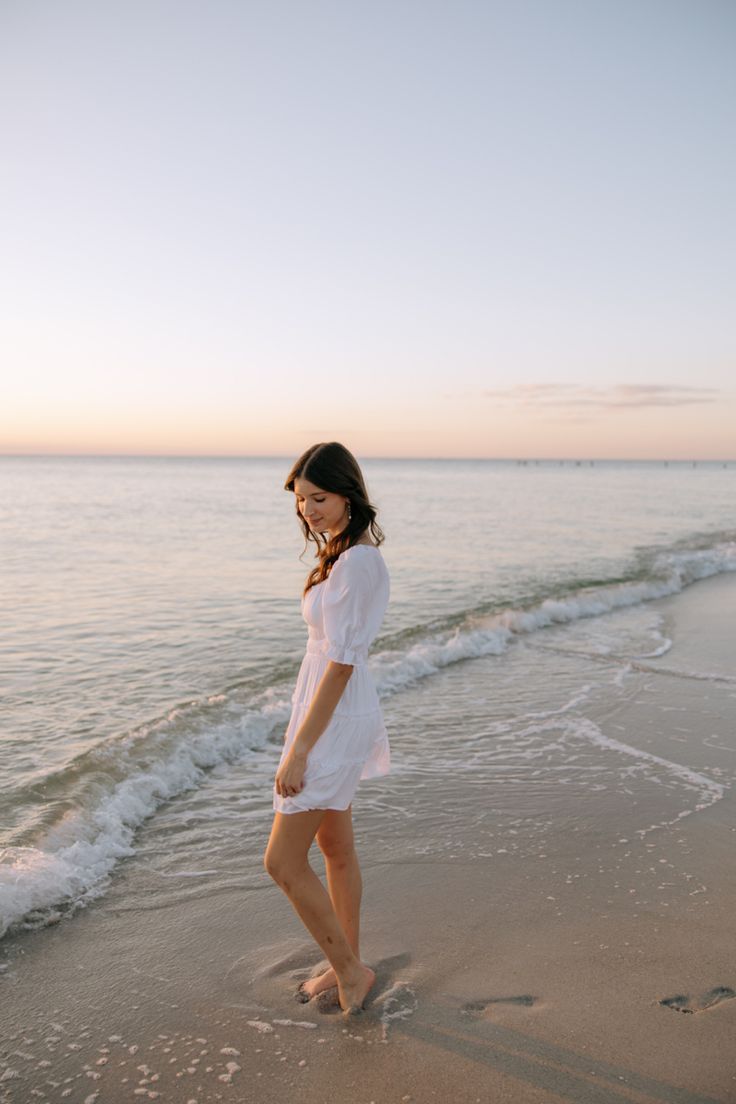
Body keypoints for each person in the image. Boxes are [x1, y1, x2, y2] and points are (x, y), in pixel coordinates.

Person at [263, 441, 391, 1015]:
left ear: (348, 494)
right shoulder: (344, 555)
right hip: (330, 711)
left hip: (333, 719)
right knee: (334, 846)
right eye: (301, 501)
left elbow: (340, 664)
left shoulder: (359, 562)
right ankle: (349, 962)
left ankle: (349, 970)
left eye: (318, 497)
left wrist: (299, 751)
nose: (308, 510)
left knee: (282, 863)